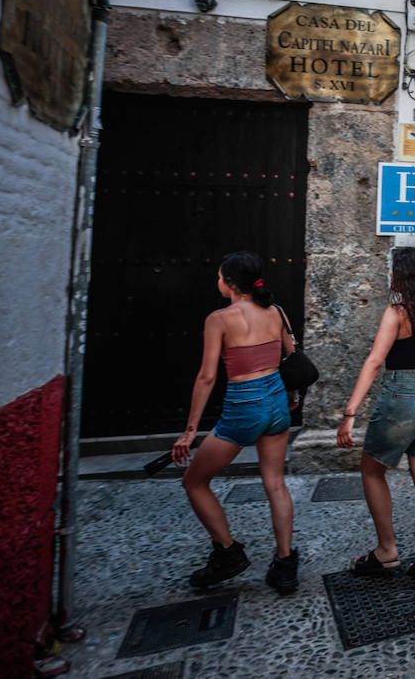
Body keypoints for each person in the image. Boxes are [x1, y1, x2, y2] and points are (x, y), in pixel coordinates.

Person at [172, 250, 299, 594]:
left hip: (244, 405)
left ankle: (228, 553)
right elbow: (292, 355)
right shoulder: (276, 311)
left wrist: (189, 431)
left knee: (194, 482)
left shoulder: (219, 319)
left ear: (229, 283)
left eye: (219, 277)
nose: (217, 282)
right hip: (276, 401)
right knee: (275, 484)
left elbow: (207, 377)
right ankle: (285, 565)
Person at [337, 246, 415, 585]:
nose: (389, 275)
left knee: (372, 471)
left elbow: (374, 361)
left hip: (404, 396)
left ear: (401, 276)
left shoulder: (397, 313)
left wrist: (349, 413)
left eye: (392, 270)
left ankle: (387, 551)